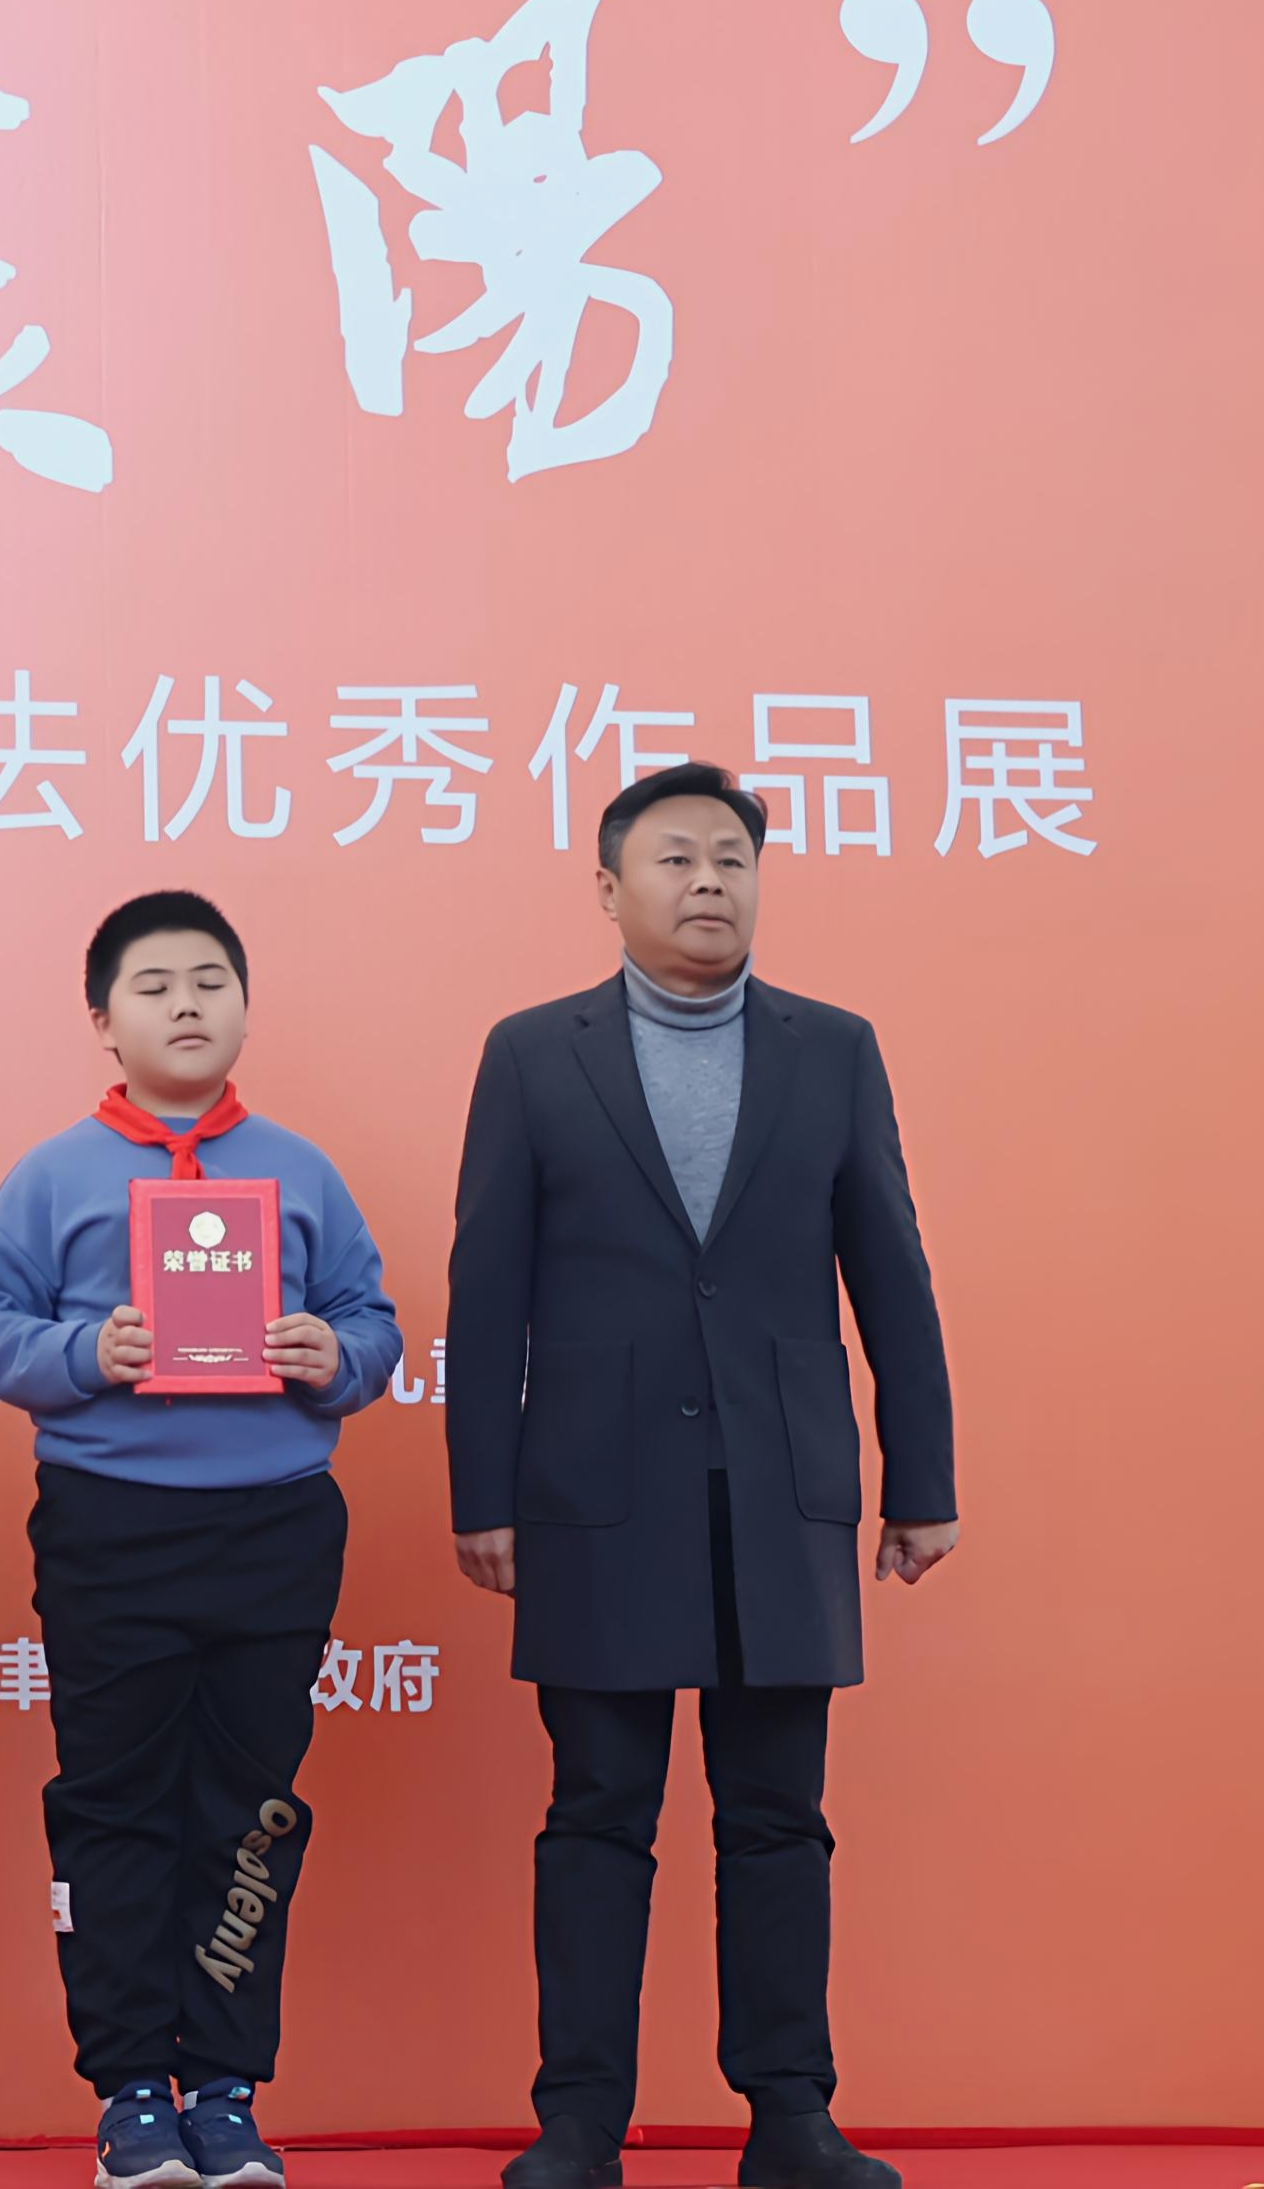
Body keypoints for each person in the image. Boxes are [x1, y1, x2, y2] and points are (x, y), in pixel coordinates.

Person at [448, 765, 959, 2189]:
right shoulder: (533, 1053)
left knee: (779, 1816)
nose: (709, 882)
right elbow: (486, 1289)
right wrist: (480, 1493)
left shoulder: (832, 1049)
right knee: (597, 1811)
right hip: (594, 1491)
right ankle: (578, 2120)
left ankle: (791, 2114)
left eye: (732, 857)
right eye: (675, 858)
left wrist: (921, 1472)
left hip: (778, 1482)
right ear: (609, 889)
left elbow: (891, 1269)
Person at [0, 890, 401, 2189]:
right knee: (116, 1804)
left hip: (275, 1526)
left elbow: (375, 1326)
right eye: (153, 985)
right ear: (104, 1019)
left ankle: (229, 2088)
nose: (186, 1003)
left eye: (210, 980)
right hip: (111, 1525)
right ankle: (133, 2088)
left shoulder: (301, 1171)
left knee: (249, 1812)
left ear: (245, 1006)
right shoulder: (54, 1175)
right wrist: (85, 1351)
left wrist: (331, 1354)